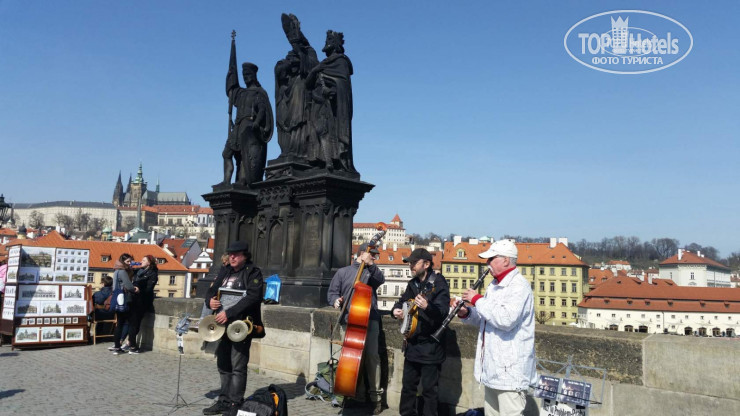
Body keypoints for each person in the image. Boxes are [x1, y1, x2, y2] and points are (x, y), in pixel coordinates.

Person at [453, 240, 536, 416]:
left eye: (491, 259)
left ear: (506, 260)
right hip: (492, 369)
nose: (487, 263)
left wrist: (477, 299)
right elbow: (486, 319)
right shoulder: (494, 286)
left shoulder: (519, 286)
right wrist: (466, 312)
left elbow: (505, 320)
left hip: (511, 371)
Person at [202, 241, 264, 416]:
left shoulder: (253, 272)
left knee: (238, 367)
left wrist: (229, 313)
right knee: (223, 364)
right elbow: (211, 290)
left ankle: (235, 403)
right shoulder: (226, 270)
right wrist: (209, 301)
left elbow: (253, 297)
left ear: (244, 256)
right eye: (230, 254)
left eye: (236, 255)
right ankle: (224, 401)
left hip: (240, 326)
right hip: (221, 325)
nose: (232, 257)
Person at [327, 243, 385, 415]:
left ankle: (376, 398)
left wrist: (371, 265)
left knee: (372, 358)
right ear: (362, 254)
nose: (374, 257)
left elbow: (380, 280)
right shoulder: (343, 272)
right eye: (372, 255)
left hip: (370, 319)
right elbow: (332, 293)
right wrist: (335, 301)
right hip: (348, 321)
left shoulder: (371, 272)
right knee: (351, 359)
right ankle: (354, 395)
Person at [392, 248, 450, 416]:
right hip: (412, 344)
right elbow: (402, 302)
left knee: (430, 391)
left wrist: (427, 306)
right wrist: (395, 311)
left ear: (426, 264)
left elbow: (442, 312)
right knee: (408, 387)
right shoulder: (413, 284)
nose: (411, 266)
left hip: (431, 345)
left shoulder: (438, 283)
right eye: (410, 263)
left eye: (414, 263)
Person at [218, 34, 274, 188]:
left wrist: (256, 123)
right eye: (243, 75)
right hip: (237, 127)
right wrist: (232, 75)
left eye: (248, 75)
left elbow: (262, 110)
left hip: (249, 127)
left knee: (244, 156)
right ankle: (226, 181)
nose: (245, 78)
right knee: (226, 153)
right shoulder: (241, 93)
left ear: (254, 75)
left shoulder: (258, 93)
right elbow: (231, 88)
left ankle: (242, 180)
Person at [111, 253, 140, 355]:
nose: (129, 263)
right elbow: (128, 285)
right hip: (126, 300)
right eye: (128, 261)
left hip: (118, 300)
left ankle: (117, 347)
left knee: (119, 324)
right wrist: (135, 289)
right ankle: (132, 347)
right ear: (123, 261)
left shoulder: (116, 271)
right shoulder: (122, 271)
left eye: (130, 261)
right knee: (132, 323)